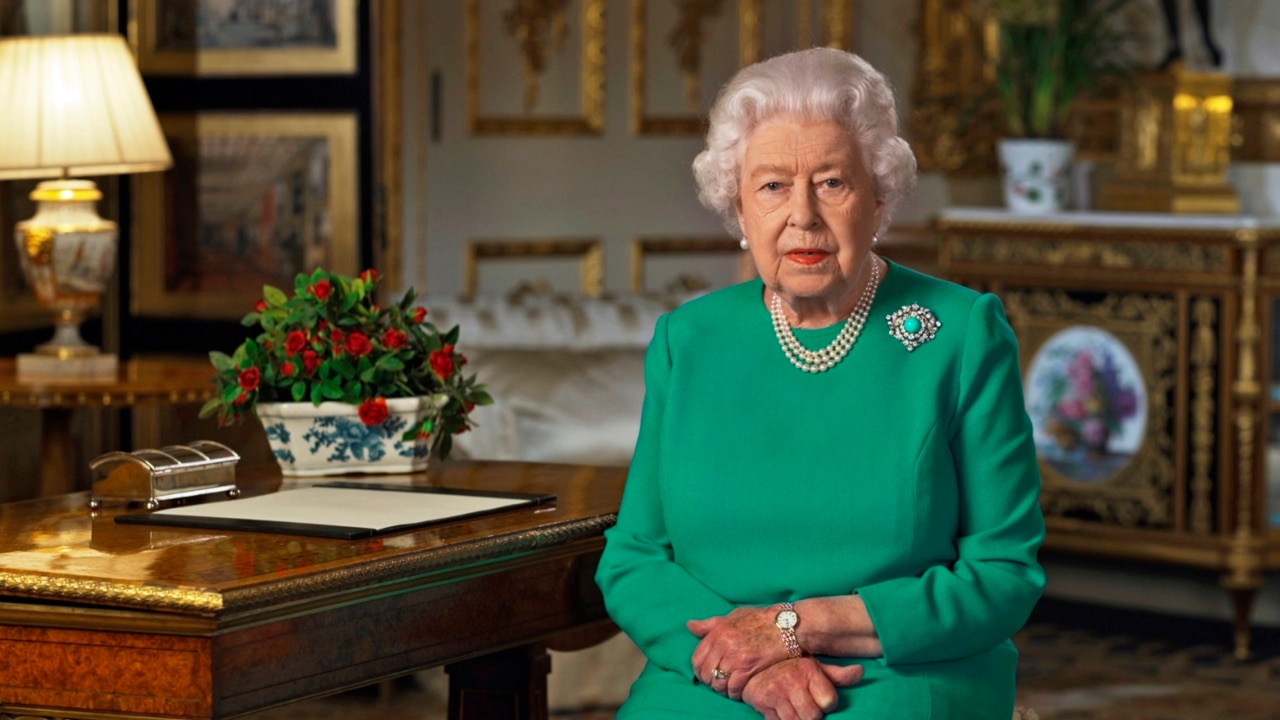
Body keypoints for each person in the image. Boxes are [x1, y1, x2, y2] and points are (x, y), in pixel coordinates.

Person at [595, 47, 1045, 719]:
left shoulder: (960, 334)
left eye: (831, 182)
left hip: (897, 674)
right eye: (772, 186)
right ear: (738, 208)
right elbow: (633, 559)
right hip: (717, 677)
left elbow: (1005, 574)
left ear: (878, 196)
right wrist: (747, 668)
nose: (802, 215)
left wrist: (795, 627)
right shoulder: (688, 341)